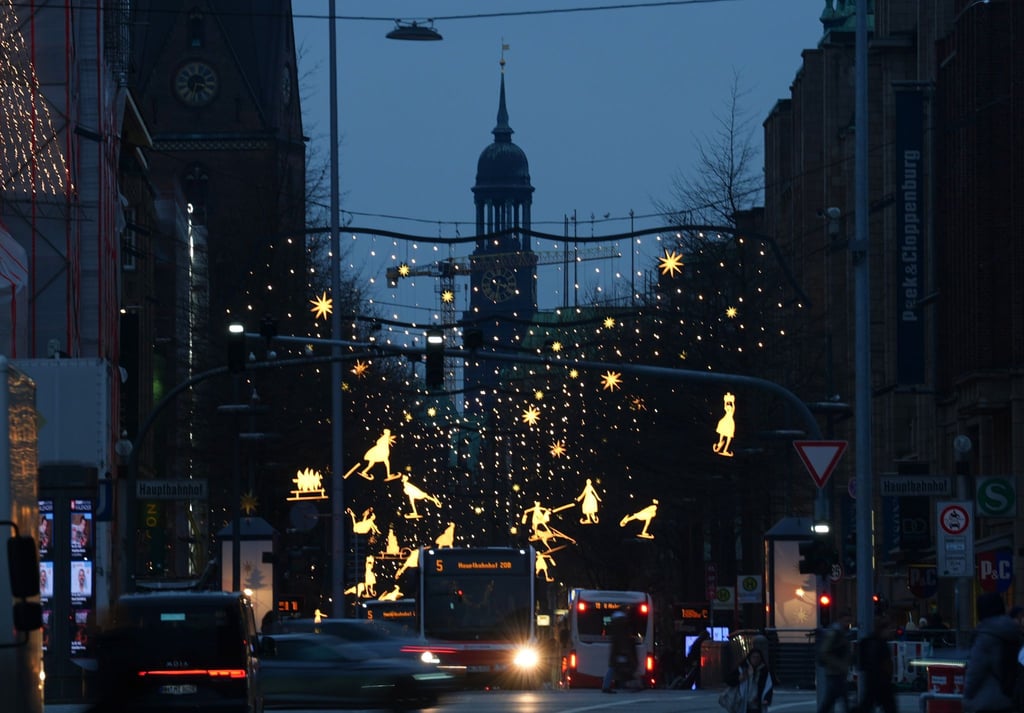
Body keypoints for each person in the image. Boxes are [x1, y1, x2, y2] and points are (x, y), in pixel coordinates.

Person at [963, 592, 1020, 713]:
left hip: (987, 701)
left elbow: (975, 672)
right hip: (1011, 699)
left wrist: (967, 697)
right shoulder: (1014, 631)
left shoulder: (986, 635)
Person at [854, 616, 897, 713]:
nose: (892, 631)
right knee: (889, 707)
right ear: (883, 629)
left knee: (866, 706)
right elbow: (885, 664)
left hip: (872, 681)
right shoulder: (880, 643)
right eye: (890, 629)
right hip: (881, 682)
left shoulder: (869, 642)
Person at [817, 610, 853, 713]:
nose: (848, 623)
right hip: (835, 673)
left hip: (837, 673)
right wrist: (839, 665)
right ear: (840, 619)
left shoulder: (840, 633)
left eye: (849, 621)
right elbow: (825, 652)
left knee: (832, 701)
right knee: (833, 701)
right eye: (846, 620)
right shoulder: (835, 633)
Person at [602, 610, 638, 693]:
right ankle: (611, 686)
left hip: (616, 653)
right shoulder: (622, 631)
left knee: (615, 668)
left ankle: (610, 685)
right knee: (618, 668)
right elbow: (622, 643)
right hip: (619, 653)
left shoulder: (616, 630)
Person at [736, 647, 774, 713]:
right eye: (753, 657)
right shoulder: (743, 668)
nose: (755, 659)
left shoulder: (764, 671)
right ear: (750, 657)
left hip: (757, 703)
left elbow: (768, 686)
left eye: (757, 657)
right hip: (744, 701)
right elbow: (730, 680)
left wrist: (766, 698)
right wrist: (739, 678)